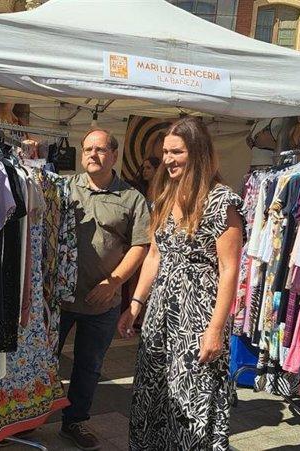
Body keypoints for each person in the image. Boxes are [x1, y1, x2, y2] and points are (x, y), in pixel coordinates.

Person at [120, 117, 245, 450]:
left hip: (198, 316)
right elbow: (154, 256)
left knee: (192, 394)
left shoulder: (222, 202)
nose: (168, 160)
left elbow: (229, 269)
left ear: (198, 152)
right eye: (165, 152)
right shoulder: (163, 196)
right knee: (154, 389)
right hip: (160, 313)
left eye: (176, 152)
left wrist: (215, 330)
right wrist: (135, 304)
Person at [59, 128, 151, 450]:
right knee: (43, 362)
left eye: (99, 149)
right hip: (60, 298)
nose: (92, 155)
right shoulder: (65, 188)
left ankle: (74, 421)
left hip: (102, 302)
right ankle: (29, 418)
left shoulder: (132, 198)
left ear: (114, 155)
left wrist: (113, 282)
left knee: (88, 367)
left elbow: (141, 245)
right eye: (87, 149)